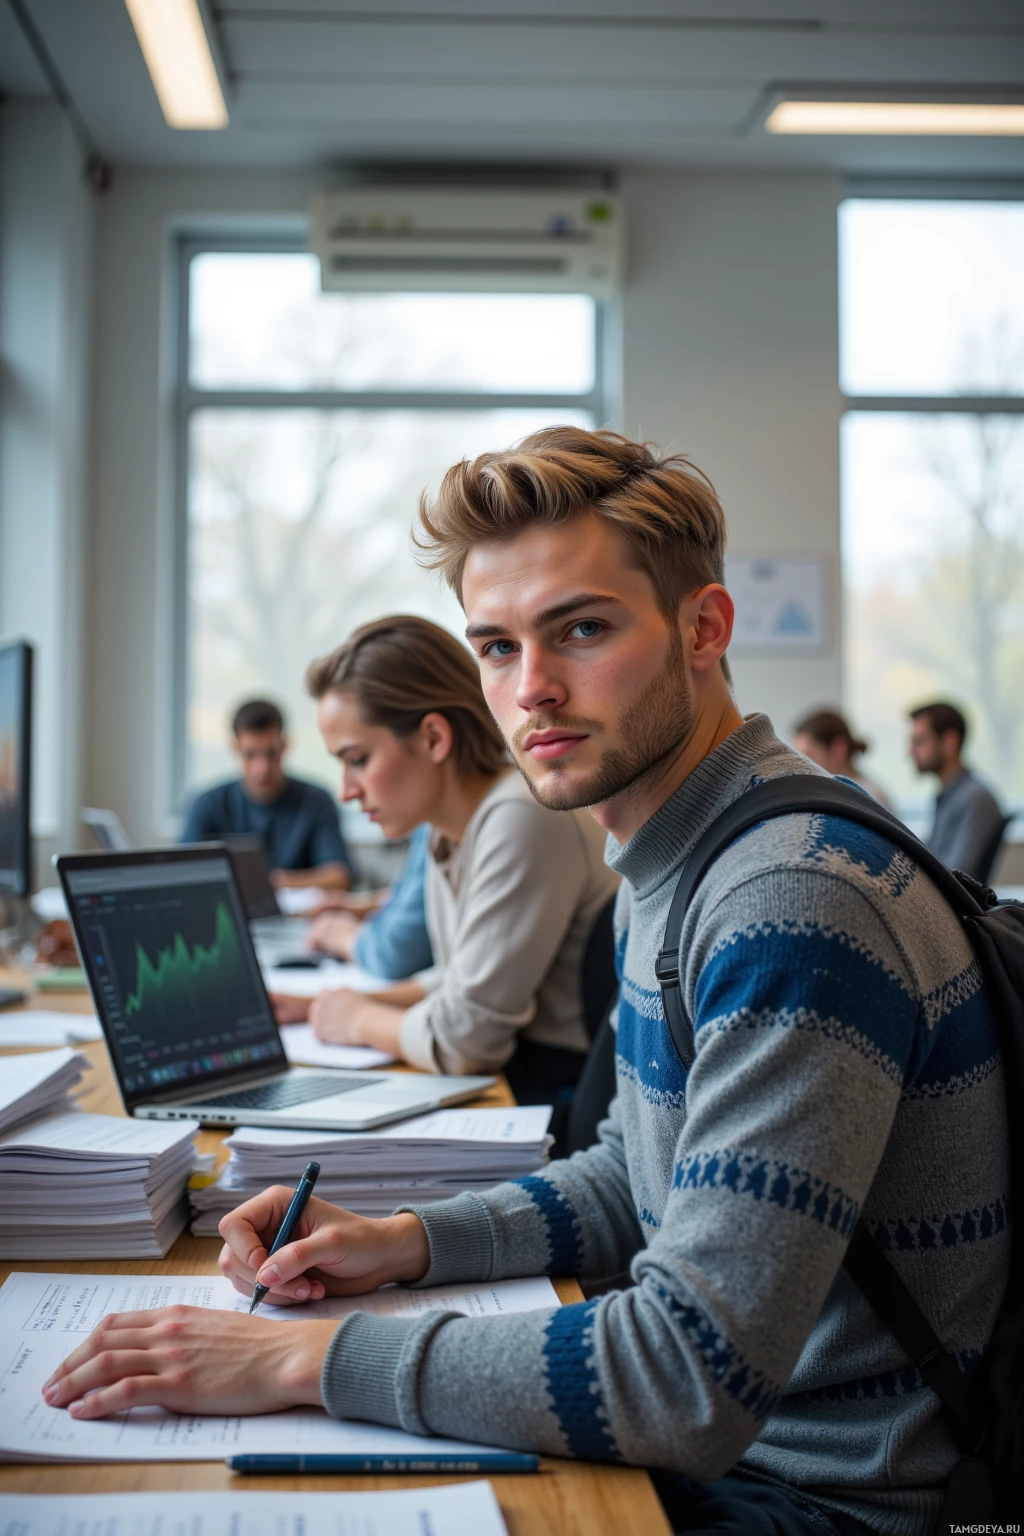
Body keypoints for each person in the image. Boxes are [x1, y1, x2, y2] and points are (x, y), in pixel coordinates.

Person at [43, 431, 1008, 1536]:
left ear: (703, 628)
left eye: (581, 629)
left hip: (833, 1496)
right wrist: (405, 1240)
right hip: (752, 1453)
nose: (531, 689)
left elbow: (684, 1378)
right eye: (496, 648)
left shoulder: (787, 897)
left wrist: (298, 1356)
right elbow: (633, 1177)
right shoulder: (679, 856)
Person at [276, 615, 618, 1100]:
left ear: (434, 738)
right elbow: (461, 981)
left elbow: (467, 1040)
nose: (347, 791)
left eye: (358, 760)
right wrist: (322, 1004)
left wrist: (358, 1019)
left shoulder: (524, 815)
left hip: (557, 1091)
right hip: (527, 1075)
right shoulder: (448, 831)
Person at [181, 698, 351, 891]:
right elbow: (184, 874)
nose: (262, 768)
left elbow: (339, 876)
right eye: (251, 754)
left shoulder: (317, 802)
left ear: (285, 745)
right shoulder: (206, 804)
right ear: (235, 747)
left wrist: (273, 882)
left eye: (271, 753)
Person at [305, 823, 433, 981]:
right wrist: (361, 906)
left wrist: (343, 936)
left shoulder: (438, 831)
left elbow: (398, 954)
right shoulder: (425, 832)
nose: (347, 797)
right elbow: (405, 894)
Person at [908, 700, 1005, 880]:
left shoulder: (975, 799)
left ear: (949, 741)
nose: (910, 752)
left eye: (919, 742)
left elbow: (957, 877)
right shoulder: (949, 795)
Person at [792, 708, 891, 806]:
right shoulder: (828, 793)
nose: (801, 766)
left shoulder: (868, 799)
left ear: (839, 749)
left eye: (809, 756)